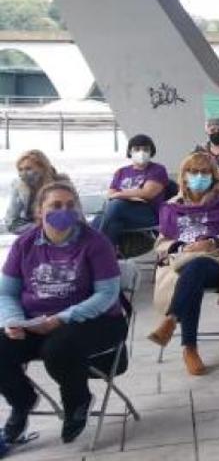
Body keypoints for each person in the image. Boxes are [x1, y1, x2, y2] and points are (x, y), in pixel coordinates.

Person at [0, 182, 125, 445]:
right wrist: (12, 321)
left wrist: (61, 318)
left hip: (95, 319)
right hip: (35, 321)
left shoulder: (95, 242)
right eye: (55, 205)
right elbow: (6, 293)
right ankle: (22, 402)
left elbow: (107, 294)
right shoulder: (25, 243)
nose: (63, 210)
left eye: (70, 205)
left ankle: (77, 401)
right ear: (39, 211)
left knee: (58, 348)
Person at [147, 152, 219, 375]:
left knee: (197, 268)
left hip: (215, 262)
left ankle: (177, 329)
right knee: (190, 276)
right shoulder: (171, 207)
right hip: (178, 261)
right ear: (184, 177)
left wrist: (212, 242)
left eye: (205, 172)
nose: (199, 176)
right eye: (194, 172)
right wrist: (182, 247)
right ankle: (187, 344)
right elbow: (161, 244)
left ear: (213, 176)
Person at [94, 134, 170, 246]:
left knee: (115, 207)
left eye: (145, 149)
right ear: (130, 151)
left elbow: (147, 193)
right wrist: (127, 195)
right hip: (118, 214)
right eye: (137, 149)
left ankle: (94, 253)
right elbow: (110, 194)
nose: (141, 152)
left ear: (151, 151)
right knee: (109, 221)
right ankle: (106, 257)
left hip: (148, 213)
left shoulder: (157, 170)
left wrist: (120, 195)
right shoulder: (121, 172)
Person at [3, 150, 71, 234]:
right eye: (20, 170)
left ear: (42, 168)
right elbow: (11, 222)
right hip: (32, 234)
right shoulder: (19, 187)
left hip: (62, 234)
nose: (23, 174)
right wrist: (40, 228)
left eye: (28, 169)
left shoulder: (61, 185)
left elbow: (74, 216)